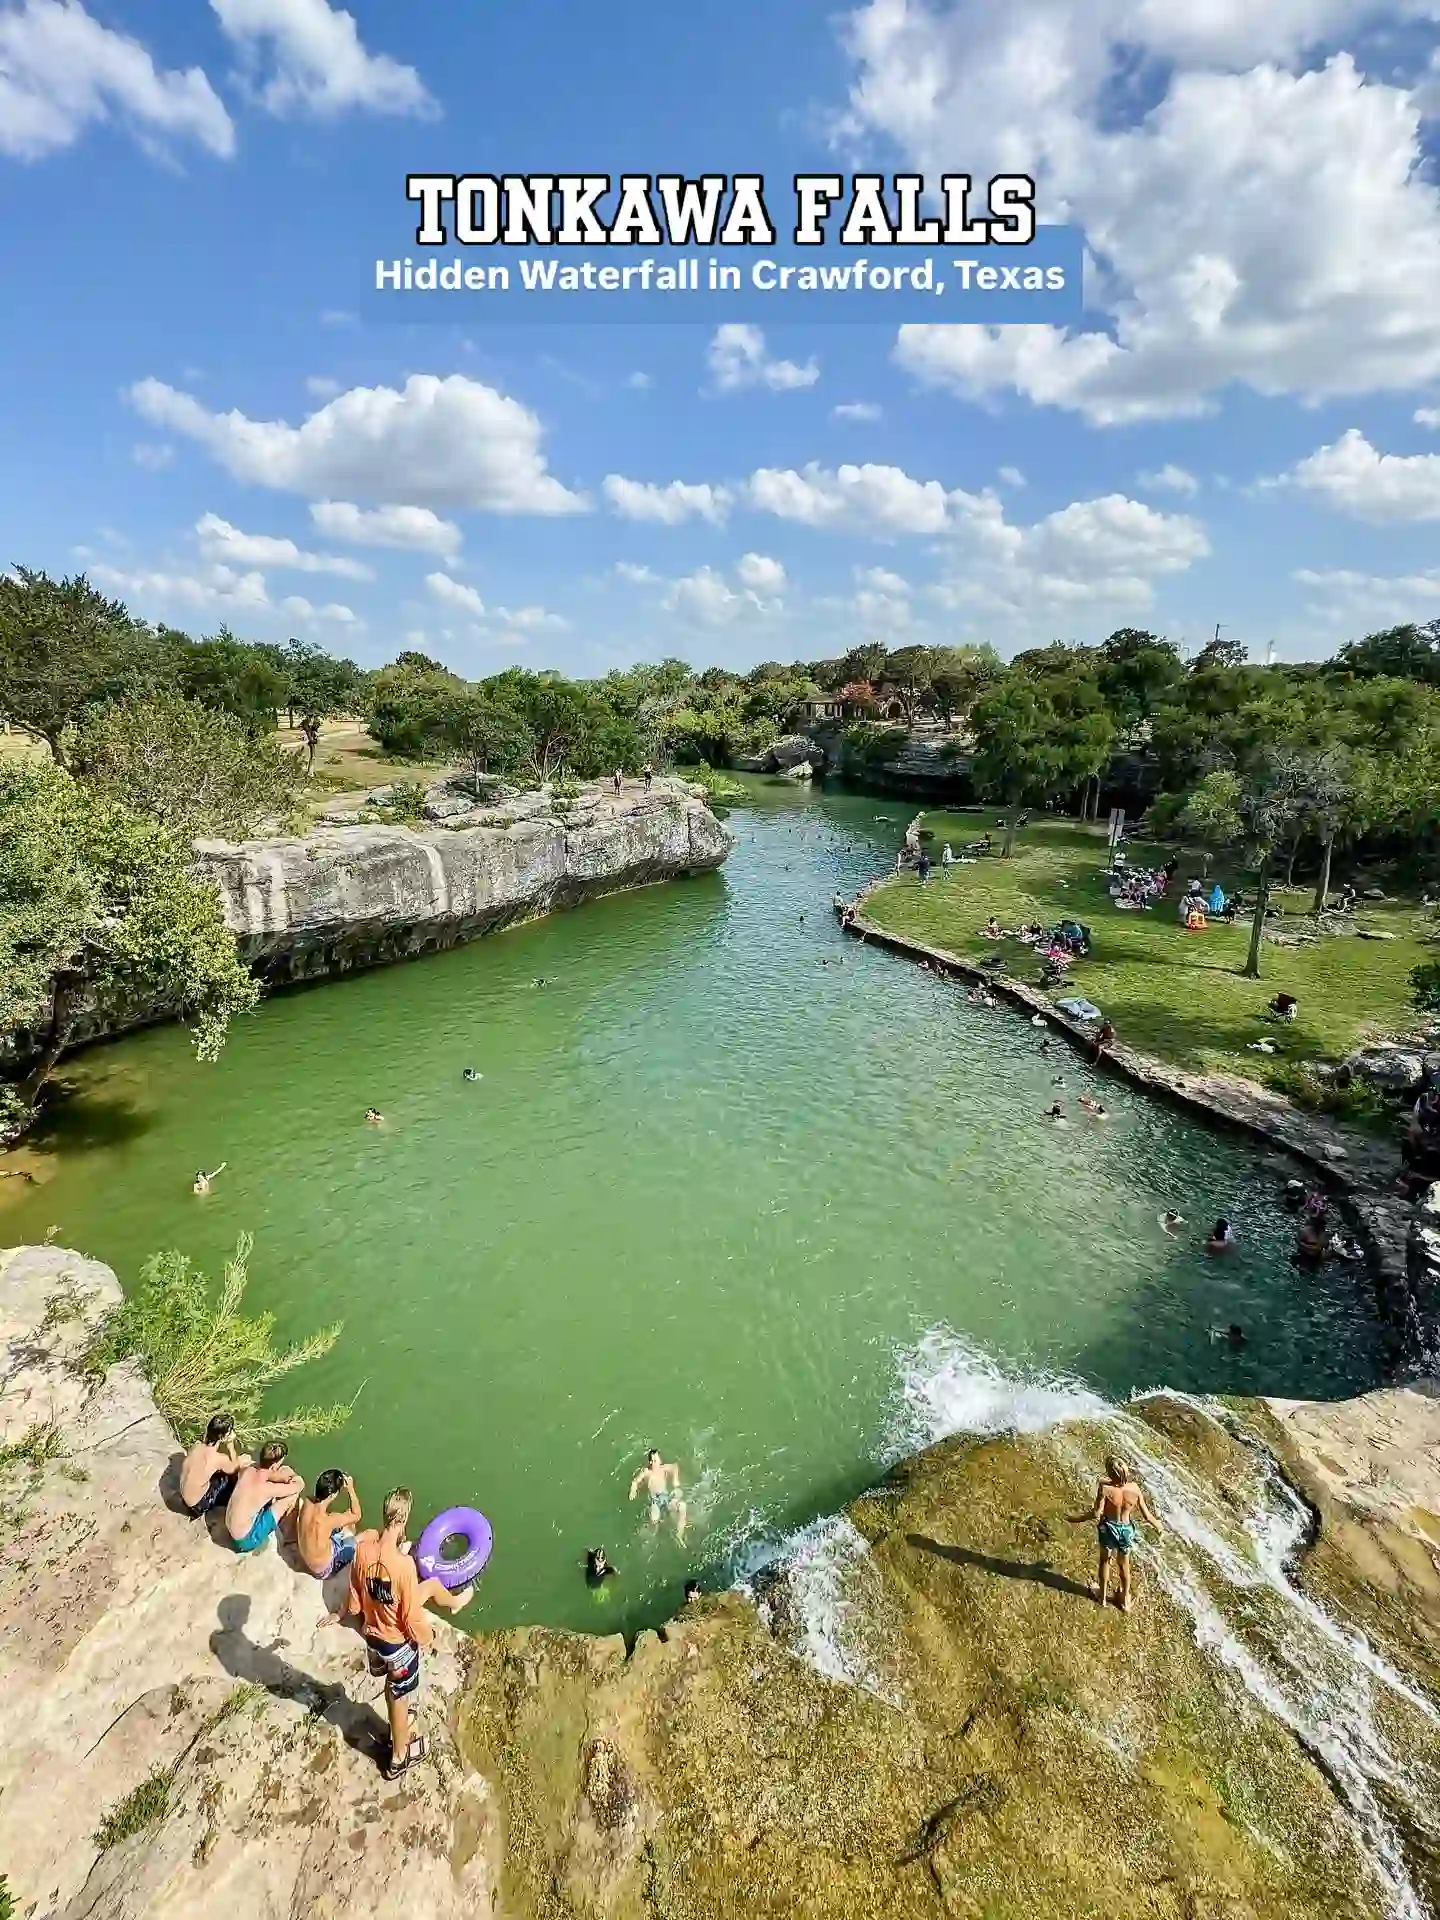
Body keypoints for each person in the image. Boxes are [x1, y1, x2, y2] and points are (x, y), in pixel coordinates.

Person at [329, 1488, 468, 1781]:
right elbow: (409, 1618)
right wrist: (429, 1637)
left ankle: (399, 1726)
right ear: (404, 1519)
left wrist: (341, 1612)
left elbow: (355, 1598)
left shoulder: (363, 1551)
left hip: (373, 1639)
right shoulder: (404, 1566)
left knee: (393, 1691)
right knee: (399, 1693)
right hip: (397, 1647)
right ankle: (398, 1758)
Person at [1066, 1455, 1161, 1614]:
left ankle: (1102, 1598)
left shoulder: (1105, 1489)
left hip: (1108, 1529)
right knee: (1124, 1566)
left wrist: (1076, 1519)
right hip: (1125, 1531)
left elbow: (1096, 1513)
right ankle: (1124, 1602)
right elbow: (1147, 1516)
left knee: (1105, 1561)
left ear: (1110, 1474)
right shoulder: (1135, 1489)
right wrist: (1158, 1525)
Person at [225, 1440, 305, 1555]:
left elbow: (264, 1474)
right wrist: (292, 1475)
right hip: (245, 1540)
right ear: (274, 1465)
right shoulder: (267, 1488)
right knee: (291, 1496)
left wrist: (279, 1475)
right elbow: (299, 1486)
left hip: (231, 1527)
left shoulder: (248, 1470)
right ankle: (289, 1536)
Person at [179, 1413, 250, 1518]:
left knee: (219, 1471)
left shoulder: (196, 1446)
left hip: (184, 1496)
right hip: (197, 1505)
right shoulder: (218, 1458)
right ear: (222, 1437)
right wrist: (230, 1445)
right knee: (239, 1467)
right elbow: (234, 1468)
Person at [297, 1469, 362, 1580]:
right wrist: (350, 1489)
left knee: (343, 1522)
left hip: (305, 1557)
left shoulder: (307, 1501)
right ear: (332, 1495)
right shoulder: (330, 1519)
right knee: (357, 1535)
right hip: (322, 1570)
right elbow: (357, 1515)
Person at [629, 1449, 687, 1540]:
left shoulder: (663, 1468)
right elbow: (635, 1481)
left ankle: (679, 1534)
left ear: (660, 1461)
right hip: (654, 1500)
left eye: (655, 1461)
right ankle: (653, 1533)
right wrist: (633, 1491)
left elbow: (675, 1467)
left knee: (682, 1506)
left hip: (666, 1497)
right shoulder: (647, 1472)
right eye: (651, 1461)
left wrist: (675, 1479)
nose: (652, 1463)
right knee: (654, 1520)